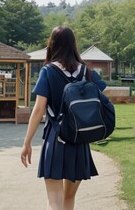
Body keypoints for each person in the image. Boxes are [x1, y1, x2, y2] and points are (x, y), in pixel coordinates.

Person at [21, 26, 106, 210]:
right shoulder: (86, 71)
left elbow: (38, 110)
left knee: (54, 201)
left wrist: (27, 142)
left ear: (52, 45)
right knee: (69, 198)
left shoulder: (48, 71)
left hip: (56, 138)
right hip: (80, 139)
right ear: (73, 45)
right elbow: (101, 97)